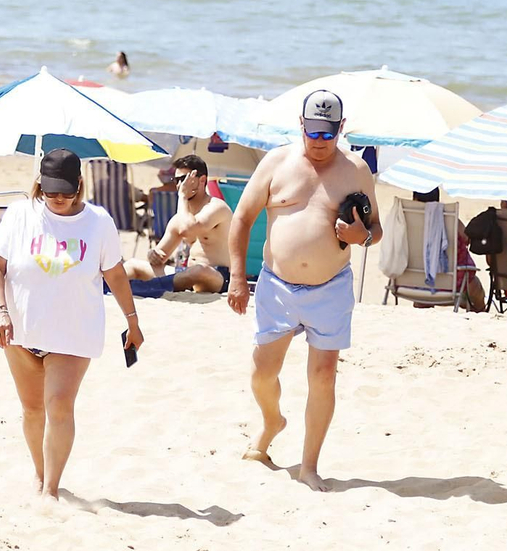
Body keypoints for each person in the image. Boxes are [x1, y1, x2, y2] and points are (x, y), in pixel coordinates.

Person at [227, 89, 381, 491]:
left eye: (327, 134)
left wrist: (361, 236)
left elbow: (375, 229)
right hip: (276, 286)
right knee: (263, 373)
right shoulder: (276, 162)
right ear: (301, 125)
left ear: (340, 129)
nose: (319, 141)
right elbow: (242, 219)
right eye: (313, 132)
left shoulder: (357, 170)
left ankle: (308, 466)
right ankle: (272, 422)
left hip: (331, 289)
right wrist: (238, 278)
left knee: (324, 375)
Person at [0, 149, 144, 501]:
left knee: (58, 404)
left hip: (73, 332)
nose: (57, 199)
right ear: (39, 186)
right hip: (20, 330)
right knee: (31, 409)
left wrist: (132, 320)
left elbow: (115, 274)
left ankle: (51, 490)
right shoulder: (20, 214)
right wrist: (0, 312)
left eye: (66, 192)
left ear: (80, 187)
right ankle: (41, 476)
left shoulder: (99, 222)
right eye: (50, 192)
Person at [121, 154, 235, 294]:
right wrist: (153, 255)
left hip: (216, 276)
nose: (179, 185)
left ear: (202, 180)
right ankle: (104, 286)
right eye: (176, 180)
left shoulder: (216, 207)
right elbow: (161, 255)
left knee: (199, 270)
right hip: (185, 275)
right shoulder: (180, 218)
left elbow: (189, 229)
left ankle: (144, 288)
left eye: (184, 179)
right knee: (133, 265)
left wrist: (182, 196)